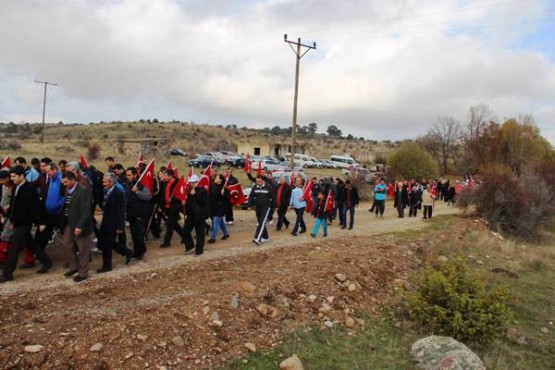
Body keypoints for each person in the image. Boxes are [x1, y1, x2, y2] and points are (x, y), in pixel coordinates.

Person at [0, 166, 53, 283]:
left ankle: (7, 274)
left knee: (14, 247)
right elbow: (14, 206)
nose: (12, 179)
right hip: (17, 222)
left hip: (25, 223)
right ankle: (47, 261)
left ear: (21, 176)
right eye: (11, 176)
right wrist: (11, 220)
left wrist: (43, 222)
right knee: (31, 244)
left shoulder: (29, 189)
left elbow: (39, 207)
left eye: (14, 176)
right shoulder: (16, 188)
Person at [60, 171, 93, 282]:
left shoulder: (83, 191)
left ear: (73, 180)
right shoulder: (68, 190)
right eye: (63, 182)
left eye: (66, 182)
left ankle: (83, 273)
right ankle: (74, 267)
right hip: (69, 223)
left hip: (80, 225)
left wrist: (80, 226)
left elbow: (86, 211)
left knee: (83, 249)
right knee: (67, 245)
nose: (64, 184)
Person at [97, 172, 132, 273]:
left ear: (111, 182)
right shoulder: (106, 190)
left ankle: (107, 265)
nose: (103, 183)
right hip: (105, 220)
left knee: (107, 244)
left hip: (114, 222)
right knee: (105, 242)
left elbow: (120, 211)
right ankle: (127, 251)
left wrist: (119, 226)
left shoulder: (118, 193)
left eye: (105, 182)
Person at [125, 167, 152, 260]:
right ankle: (137, 252)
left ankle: (141, 252)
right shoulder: (128, 184)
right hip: (131, 213)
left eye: (129, 175)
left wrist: (137, 192)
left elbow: (148, 196)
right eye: (127, 175)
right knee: (133, 233)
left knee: (138, 233)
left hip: (140, 213)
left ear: (135, 175)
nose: (127, 177)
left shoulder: (141, 184)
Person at [183, 175, 209, 256]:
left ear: (197, 182)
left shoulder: (202, 191)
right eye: (191, 182)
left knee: (199, 233)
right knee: (185, 231)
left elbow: (203, 202)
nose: (191, 184)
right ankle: (190, 247)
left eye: (193, 182)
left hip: (199, 215)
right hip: (191, 215)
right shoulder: (190, 191)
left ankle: (199, 250)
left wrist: (194, 195)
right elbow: (189, 203)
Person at [159, 169, 184, 248]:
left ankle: (167, 242)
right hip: (167, 207)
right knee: (174, 224)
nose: (164, 177)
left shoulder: (178, 183)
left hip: (175, 207)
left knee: (170, 224)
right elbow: (163, 195)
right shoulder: (164, 182)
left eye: (166, 175)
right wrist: (161, 206)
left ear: (171, 176)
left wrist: (172, 199)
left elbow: (180, 195)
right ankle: (185, 236)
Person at [248, 175, 276, 245]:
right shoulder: (255, 187)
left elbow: (273, 197)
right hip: (258, 208)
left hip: (266, 208)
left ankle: (257, 238)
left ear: (262, 180)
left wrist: (274, 206)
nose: (258, 182)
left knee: (262, 223)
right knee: (261, 222)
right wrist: (249, 205)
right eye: (257, 181)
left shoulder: (268, 187)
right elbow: (251, 196)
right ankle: (266, 237)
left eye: (259, 181)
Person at [208, 174, 230, 244]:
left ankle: (213, 238)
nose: (215, 178)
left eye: (217, 177)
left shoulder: (224, 188)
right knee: (220, 222)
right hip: (213, 207)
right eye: (216, 177)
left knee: (216, 222)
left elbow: (228, 198)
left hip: (221, 208)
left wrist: (223, 194)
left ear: (221, 180)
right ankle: (226, 234)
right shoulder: (212, 186)